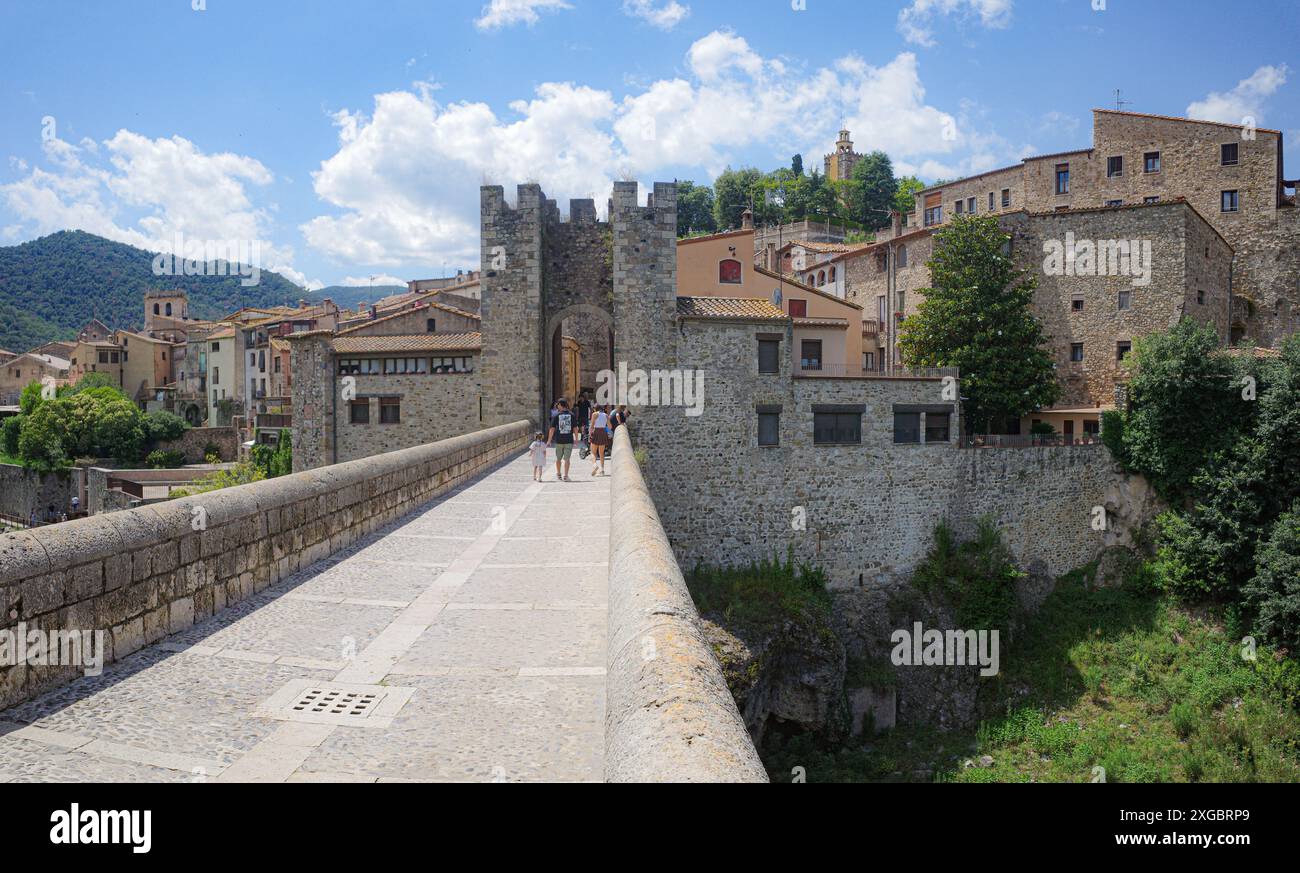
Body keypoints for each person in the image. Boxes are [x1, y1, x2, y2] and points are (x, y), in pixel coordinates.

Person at [547, 399, 577, 482]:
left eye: (558, 405)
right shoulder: (572, 415)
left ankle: (558, 473)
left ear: (560, 404)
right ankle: (566, 476)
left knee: (558, 458)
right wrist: (576, 439)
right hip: (569, 440)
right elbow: (575, 428)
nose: (557, 406)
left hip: (559, 440)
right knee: (567, 459)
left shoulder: (556, 415)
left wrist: (549, 440)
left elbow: (552, 429)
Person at [589, 404, 610, 476]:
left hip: (596, 432)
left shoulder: (594, 414)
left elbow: (592, 426)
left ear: (595, 409)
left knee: (593, 452)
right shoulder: (606, 415)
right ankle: (602, 470)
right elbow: (610, 426)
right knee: (601, 453)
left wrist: (589, 434)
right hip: (603, 432)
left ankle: (595, 465)